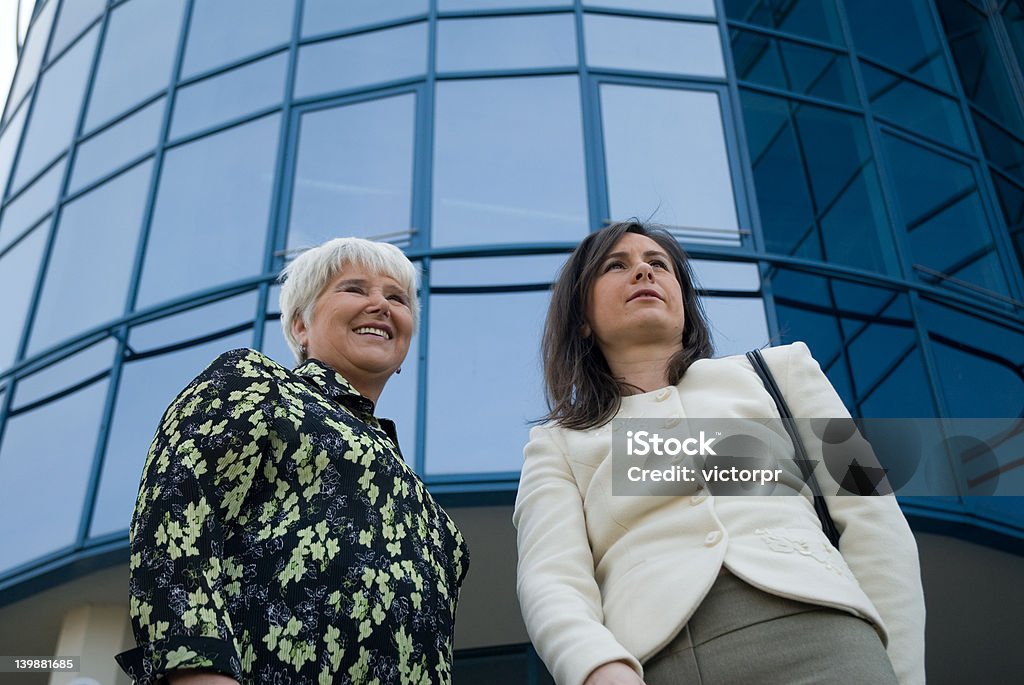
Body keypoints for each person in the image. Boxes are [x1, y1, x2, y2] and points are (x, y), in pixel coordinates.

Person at [513, 221, 925, 685]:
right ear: (583, 319)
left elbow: (876, 519)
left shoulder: (782, 373)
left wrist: (900, 672)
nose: (643, 273)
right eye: (616, 265)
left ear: (685, 306)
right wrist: (596, 667)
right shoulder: (557, 443)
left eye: (658, 264)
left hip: (827, 640)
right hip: (661, 662)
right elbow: (551, 577)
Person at [116, 237, 469, 684]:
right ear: (301, 325)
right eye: (356, 290)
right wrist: (196, 671)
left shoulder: (431, 515)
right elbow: (178, 519)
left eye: (397, 298)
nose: (381, 304)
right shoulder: (257, 386)